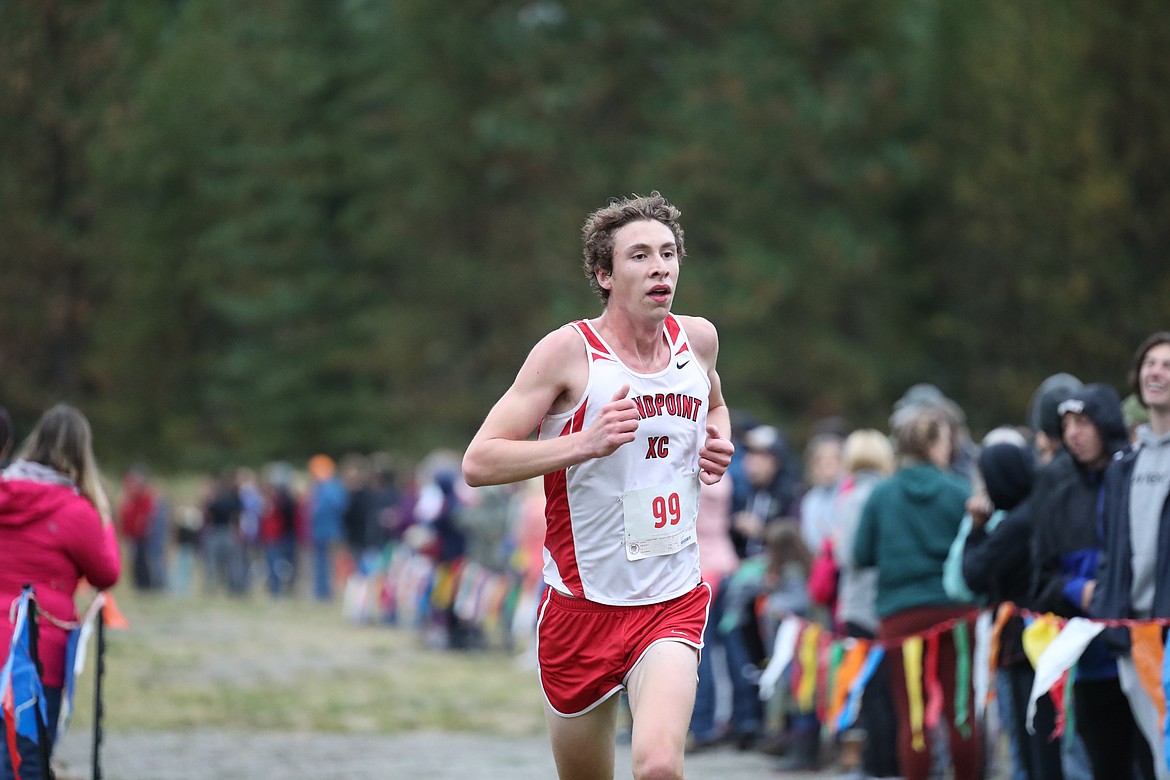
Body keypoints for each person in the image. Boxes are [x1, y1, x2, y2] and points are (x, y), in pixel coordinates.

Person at [461, 191, 734, 780]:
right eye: (639, 256)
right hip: (581, 607)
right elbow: (479, 461)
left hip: (671, 596)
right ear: (605, 275)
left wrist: (717, 441)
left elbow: (714, 401)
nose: (659, 266)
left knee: (659, 765)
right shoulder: (568, 353)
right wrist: (583, 443)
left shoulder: (698, 341)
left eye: (668, 253)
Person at [1031, 383, 1153, 780]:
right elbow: (1042, 577)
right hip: (1091, 661)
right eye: (1066, 424)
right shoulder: (1059, 491)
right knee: (1108, 765)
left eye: (1083, 422)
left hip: (1145, 650)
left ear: (1105, 424)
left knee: (1153, 761)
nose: (1073, 434)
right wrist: (1076, 589)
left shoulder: (1139, 477)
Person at [852, 405, 981, 780]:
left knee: (913, 712)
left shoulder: (881, 495)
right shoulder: (959, 491)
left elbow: (860, 554)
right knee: (961, 708)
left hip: (899, 614)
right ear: (936, 445)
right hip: (955, 612)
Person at [0, 404, 121, 777]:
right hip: (35, 654)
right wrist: (100, 508)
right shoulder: (76, 511)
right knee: (25, 760)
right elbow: (107, 572)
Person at [1092, 332, 1170, 780]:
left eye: (1165, 365)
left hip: (1167, 625)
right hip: (1132, 631)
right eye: (1149, 364)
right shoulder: (1125, 465)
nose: (1154, 372)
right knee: (1158, 750)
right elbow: (1114, 548)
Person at [828, 428, 899, 779]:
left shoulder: (851, 499)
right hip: (890, 604)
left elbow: (846, 555)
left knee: (870, 692)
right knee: (893, 689)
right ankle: (893, 762)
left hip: (859, 605)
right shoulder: (891, 494)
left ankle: (877, 766)